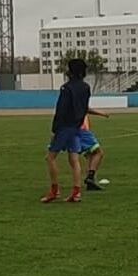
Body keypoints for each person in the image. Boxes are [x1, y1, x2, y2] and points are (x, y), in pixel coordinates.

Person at [42, 57, 92, 203]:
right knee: (74, 159)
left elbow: (61, 110)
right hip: (76, 126)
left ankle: (54, 190)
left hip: (65, 127)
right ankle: (76, 192)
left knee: (50, 157)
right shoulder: (86, 87)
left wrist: (54, 130)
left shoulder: (66, 88)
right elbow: (84, 108)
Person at [76, 108, 113, 192]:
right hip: (82, 130)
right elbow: (85, 108)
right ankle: (90, 178)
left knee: (89, 156)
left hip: (77, 130)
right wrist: (102, 113)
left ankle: (90, 183)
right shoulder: (79, 96)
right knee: (99, 153)